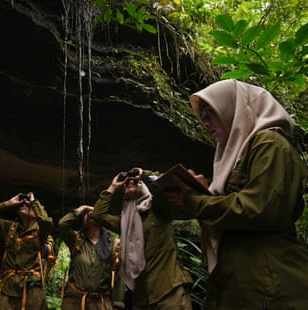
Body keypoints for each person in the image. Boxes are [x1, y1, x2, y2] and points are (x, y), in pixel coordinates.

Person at [162, 79, 308, 308]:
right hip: (243, 285)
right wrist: (203, 192)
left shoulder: (270, 143)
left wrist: (195, 201)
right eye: (202, 117)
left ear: (235, 107)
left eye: (210, 111)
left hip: (270, 285)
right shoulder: (234, 156)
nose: (205, 122)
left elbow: (259, 208)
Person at [92, 170, 193, 309]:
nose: (131, 182)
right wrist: (113, 187)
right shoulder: (124, 222)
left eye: (135, 181)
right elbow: (98, 215)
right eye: (127, 183)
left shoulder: (159, 208)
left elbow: (167, 184)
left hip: (169, 291)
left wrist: (143, 173)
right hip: (141, 298)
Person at [0, 192, 53, 310]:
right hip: (9, 288)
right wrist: (8, 204)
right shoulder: (10, 228)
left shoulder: (41, 233)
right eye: (22, 204)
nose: (24, 204)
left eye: (28, 205)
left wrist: (34, 203)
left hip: (32, 289)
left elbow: (47, 223)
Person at [58, 205, 124, 310]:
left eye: (94, 213)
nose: (90, 214)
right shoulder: (76, 240)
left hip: (101, 304)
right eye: (86, 214)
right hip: (75, 303)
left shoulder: (114, 245)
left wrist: (118, 305)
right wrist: (81, 209)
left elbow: (120, 278)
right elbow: (62, 225)